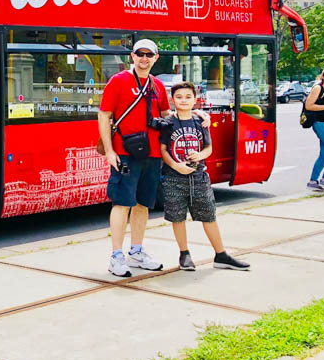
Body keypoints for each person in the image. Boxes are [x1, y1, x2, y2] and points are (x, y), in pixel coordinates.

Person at [97, 40, 211, 277]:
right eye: (140, 54)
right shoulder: (118, 81)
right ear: (132, 56)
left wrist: (197, 113)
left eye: (149, 54)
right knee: (121, 203)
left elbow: (168, 115)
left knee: (142, 204)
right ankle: (116, 256)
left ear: (156, 58)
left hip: (151, 154)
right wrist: (109, 151)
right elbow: (104, 114)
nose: (144, 58)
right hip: (125, 153)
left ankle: (136, 251)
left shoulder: (157, 85)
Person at [159, 81, 250, 270]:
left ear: (195, 99)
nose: (183, 100)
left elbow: (208, 148)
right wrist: (176, 165)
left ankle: (221, 254)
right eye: (179, 97)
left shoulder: (201, 121)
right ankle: (184, 254)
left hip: (199, 177)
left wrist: (199, 155)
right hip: (174, 178)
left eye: (188, 97)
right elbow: (163, 150)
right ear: (172, 100)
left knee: (209, 215)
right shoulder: (167, 123)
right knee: (178, 217)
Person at [305, 66, 324, 192]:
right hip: (320, 123)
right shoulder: (318, 88)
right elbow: (309, 106)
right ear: (323, 76)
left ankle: (313, 181)